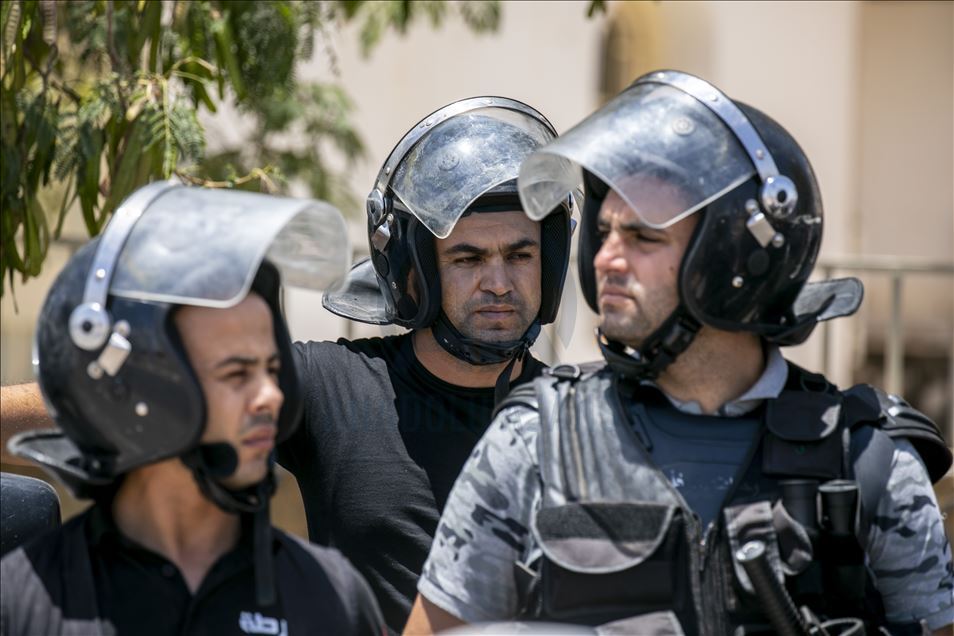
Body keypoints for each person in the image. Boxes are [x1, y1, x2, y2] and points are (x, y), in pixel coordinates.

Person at [405, 70, 954, 635]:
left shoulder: (866, 461)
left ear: (733, 261)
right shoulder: (536, 439)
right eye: (606, 232)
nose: (606, 260)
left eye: (644, 238)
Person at [1, 97, 574, 634]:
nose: (498, 282)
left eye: (520, 255)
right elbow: (146, 394)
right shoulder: (337, 386)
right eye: (468, 258)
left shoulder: (587, 420)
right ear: (414, 271)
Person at [0, 183, 384, 635]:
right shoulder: (23, 602)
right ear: (140, 392)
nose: (271, 396)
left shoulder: (329, 596)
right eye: (236, 374)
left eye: (272, 368)